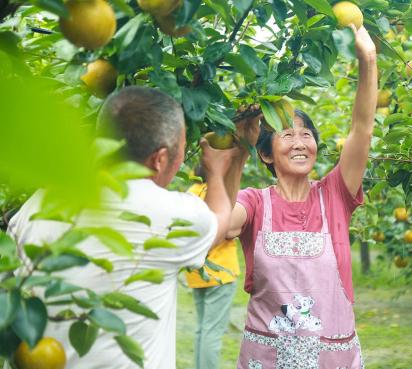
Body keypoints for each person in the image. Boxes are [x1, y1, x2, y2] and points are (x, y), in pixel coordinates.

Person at [7, 86, 247, 369]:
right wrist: (218, 171)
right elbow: (219, 218)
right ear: (159, 159)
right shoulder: (168, 212)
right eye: (180, 151)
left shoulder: (38, 203)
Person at [227, 25, 377, 368]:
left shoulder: (335, 194)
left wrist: (368, 59)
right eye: (287, 134)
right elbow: (224, 225)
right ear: (265, 154)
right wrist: (238, 152)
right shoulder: (254, 202)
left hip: (331, 358)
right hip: (267, 358)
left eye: (306, 134)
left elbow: (362, 129)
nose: (299, 142)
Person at [184, 165, 241, 369]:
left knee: (202, 328)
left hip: (197, 270)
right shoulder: (218, 194)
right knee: (213, 332)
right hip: (221, 271)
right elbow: (229, 228)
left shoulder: (191, 193)